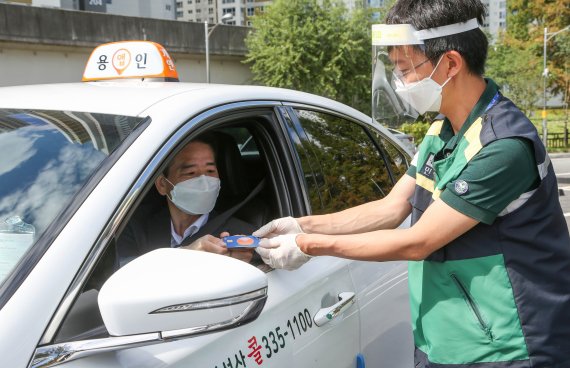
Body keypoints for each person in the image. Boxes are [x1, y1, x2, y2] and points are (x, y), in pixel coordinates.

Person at [253, 0, 570, 366]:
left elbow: (418, 241)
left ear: (450, 63)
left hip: (508, 345)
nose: (399, 83)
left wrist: (308, 245)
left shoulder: (503, 146)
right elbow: (391, 208)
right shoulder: (442, 130)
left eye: (404, 69)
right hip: (447, 338)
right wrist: (300, 224)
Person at [116, 133, 256, 267]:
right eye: (190, 173)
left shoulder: (241, 237)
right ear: (162, 185)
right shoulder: (135, 227)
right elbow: (122, 277)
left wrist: (236, 268)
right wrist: (185, 254)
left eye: (210, 171)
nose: (204, 182)